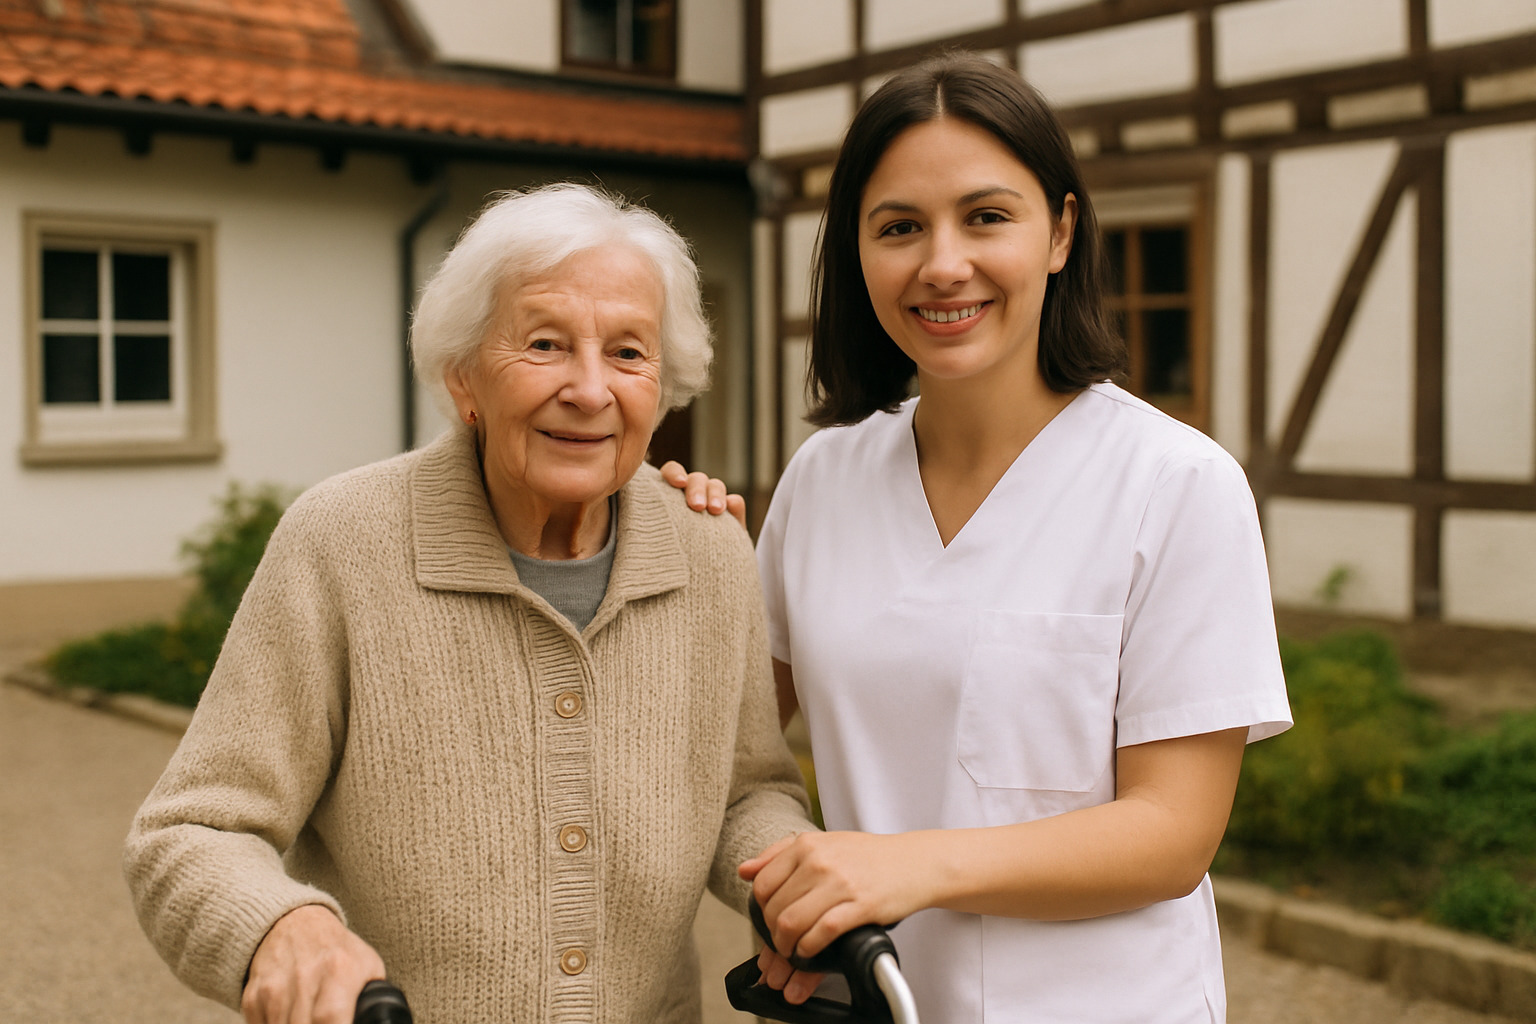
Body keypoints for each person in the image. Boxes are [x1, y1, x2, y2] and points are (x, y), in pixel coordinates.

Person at [667, 53, 1292, 1022]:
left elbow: (1173, 835)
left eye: (987, 216)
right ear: (857, 251)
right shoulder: (823, 480)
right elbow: (718, 751)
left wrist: (905, 866)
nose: (942, 264)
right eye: (899, 228)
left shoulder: (1176, 484)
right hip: (882, 1002)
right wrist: (657, 551)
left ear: (1061, 232)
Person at [124, 183, 813, 1024]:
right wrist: (280, 927)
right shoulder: (341, 542)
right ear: (464, 376)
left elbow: (746, 792)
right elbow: (193, 829)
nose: (590, 388)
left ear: (661, 384)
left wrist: (799, 881)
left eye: (628, 353)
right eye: (546, 344)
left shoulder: (711, 550)